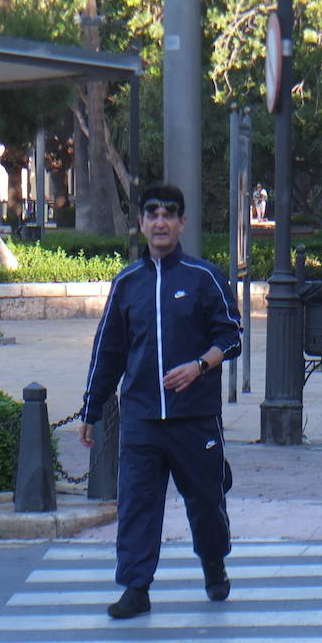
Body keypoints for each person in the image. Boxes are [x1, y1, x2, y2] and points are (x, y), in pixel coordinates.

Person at [79, 183, 244, 619]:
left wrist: (199, 366)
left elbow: (232, 337)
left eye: (169, 214)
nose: (160, 222)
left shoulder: (204, 277)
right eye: (152, 214)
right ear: (141, 223)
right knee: (137, 504)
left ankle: (214, 565)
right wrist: (91, 409)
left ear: (182, 223)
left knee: (206, 501)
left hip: (196, 417)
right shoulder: (127, 283)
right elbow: (108, 352)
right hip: (142, 418)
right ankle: (136, 587)